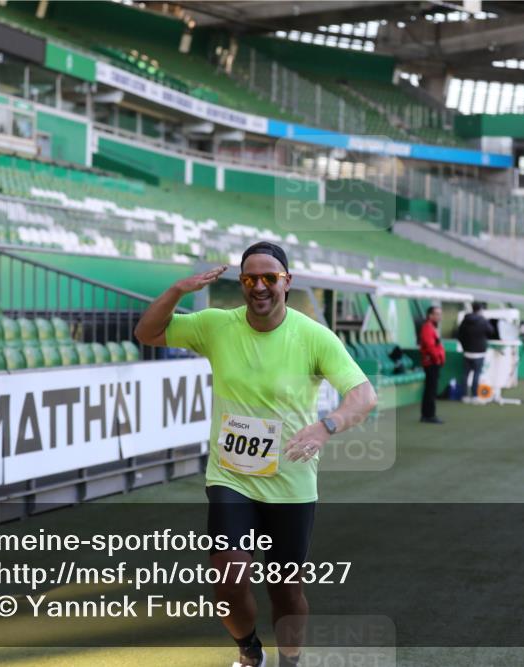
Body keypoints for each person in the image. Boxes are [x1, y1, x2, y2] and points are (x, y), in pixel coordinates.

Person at [134, 241, 377, 667]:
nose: (260, 287)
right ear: (242, 283)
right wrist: (177, 290)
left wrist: (327, 426)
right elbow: (147, 333)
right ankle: (249, 651)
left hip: (290, 483)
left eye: (270, 278)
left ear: (287, 281)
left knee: (285, 589)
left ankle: (290, 659)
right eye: (251, 279)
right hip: (231, 477)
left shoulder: (314, 337)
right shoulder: (216, 325)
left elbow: (363, 394)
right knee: (228, 578)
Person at [457, 301, 495, 404]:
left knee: (465, 375)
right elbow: (491, 331)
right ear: (480, 310)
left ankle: (464, 396)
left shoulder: (465, 320)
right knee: (476, 375)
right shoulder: (483, 320)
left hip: (467, 352)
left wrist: (464, 346)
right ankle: (474, 396)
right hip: (479, 352)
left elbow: (459, 334)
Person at [419, 305, 445, 424]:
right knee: (431, 389)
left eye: (440, 314)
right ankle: (429, 415)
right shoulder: (428, 328)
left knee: (431, 389)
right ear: (430, 315)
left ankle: (427, 415)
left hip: (433, 362)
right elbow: (430, 346)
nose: (440, 317)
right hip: (431, 363)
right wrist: (437, 359)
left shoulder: (431, 327)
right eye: (437, 314)